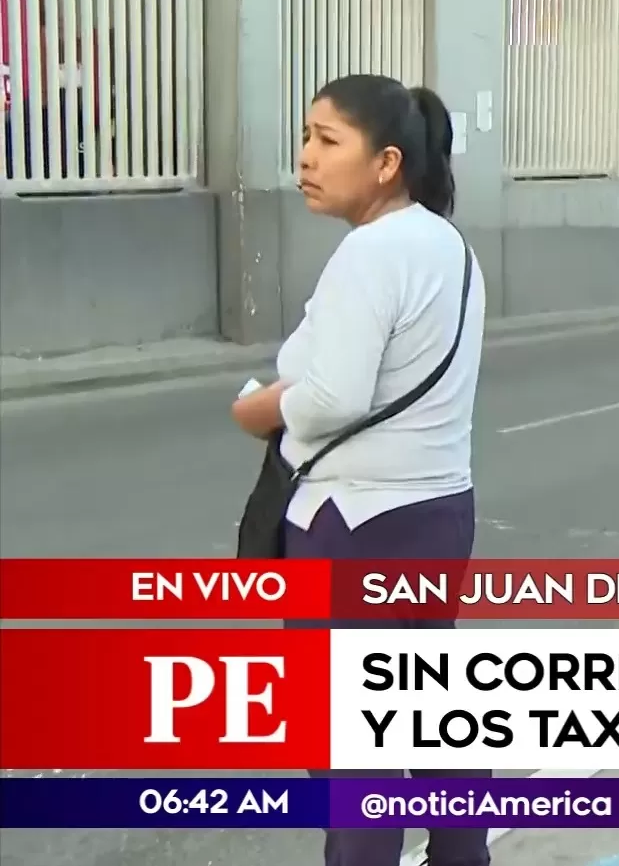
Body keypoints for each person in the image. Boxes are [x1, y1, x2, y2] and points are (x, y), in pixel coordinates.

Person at [229, 75, 489, 866]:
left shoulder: (369, 252)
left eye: (326, 139)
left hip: (354, 525)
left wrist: (259, 407)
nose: (306, 157)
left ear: (385, 163)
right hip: (439, 512)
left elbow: (332, 395)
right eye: (306, 136)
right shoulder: (450, 246)